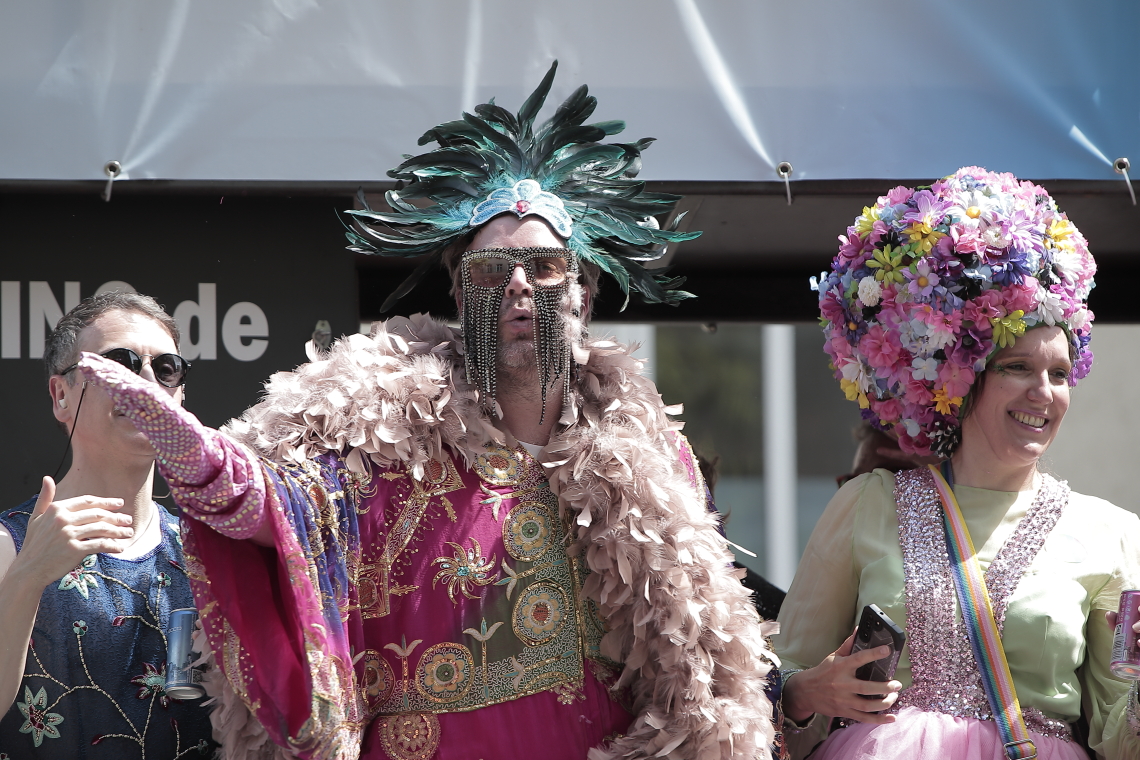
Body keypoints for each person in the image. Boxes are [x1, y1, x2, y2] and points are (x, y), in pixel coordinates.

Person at [70, 63, 779, 760]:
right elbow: (283, 505)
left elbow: (705, 659)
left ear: (583, 294)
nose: (519, 289)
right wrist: (197, 455)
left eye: (544, 268)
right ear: (459, 297)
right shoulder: (384, 425)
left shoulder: (652, 450)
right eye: (490, 273)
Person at [774, 167, 1140, 760]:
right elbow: (765, 695)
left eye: (1059, 374)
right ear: (961, 378)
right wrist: (805, 692)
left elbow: (1119, 737)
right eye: (1017, 367)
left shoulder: (1112, 535)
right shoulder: (867, 504)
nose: (1044, 393)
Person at [0, 292, 216, 758]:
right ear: (62, 395)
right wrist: (27, 578)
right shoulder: (8, 545)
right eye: (119, 363)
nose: (144, 382)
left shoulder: (207, 552)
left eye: (166, 368)